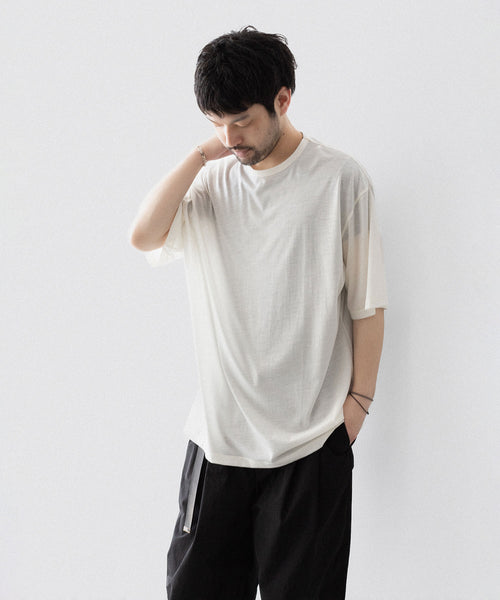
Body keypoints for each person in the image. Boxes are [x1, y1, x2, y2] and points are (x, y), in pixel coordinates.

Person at [129, 26, 388, 600]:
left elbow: (366, 302)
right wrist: (200, 155)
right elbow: (144, 236)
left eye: (242, 120)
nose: (230, 137)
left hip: (311, 446)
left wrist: (358, 405)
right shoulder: (210, 183)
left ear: (282, 99)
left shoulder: (341, 181)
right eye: (215, 122)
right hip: (217, 444)